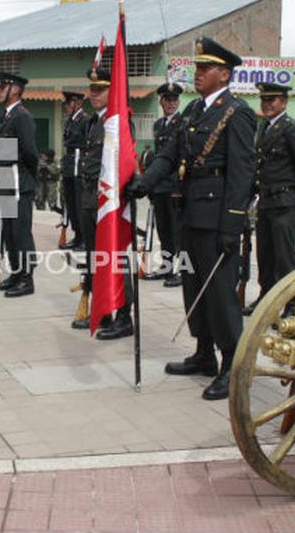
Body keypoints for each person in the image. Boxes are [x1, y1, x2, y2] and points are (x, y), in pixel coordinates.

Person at [128, 37, 255, 400]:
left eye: (205, 68)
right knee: (193, 286)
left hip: (216, 219)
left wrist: (232, 225)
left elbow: (241, 174)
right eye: (197, 67)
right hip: (189, 212)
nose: (197, 74)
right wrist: (143, 183)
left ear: (224, 74)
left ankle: (232, 364)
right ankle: (204, 353)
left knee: (220, 293)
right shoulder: (193, 111)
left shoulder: (237, 112)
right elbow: (169, 155)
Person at [246, 82, 295, 315]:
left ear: (284, 102)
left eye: (271, 100)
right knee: (265, 255)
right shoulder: (264, 128)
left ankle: (292, 304)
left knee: (285, 258)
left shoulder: (292, 129)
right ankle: (266, 299)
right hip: (266, 202)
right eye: (263, 100)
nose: (266, 104)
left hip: (286, 202)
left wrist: (293, 189)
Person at [75, 66, 134, 337]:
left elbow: (124, 162)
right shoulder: (92, 122)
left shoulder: (119, 119)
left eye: (101, 90)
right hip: (90, 198)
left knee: (114, 257)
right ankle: (104, 311)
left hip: (109, 202)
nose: (95, 94)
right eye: (93, 89)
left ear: (113, 92)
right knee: (95, 257)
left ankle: (123, 315)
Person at [0, 71, 39, 298]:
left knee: (20, 232)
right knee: (9, 231)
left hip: (19, 182)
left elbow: (30, 152)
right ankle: (16, 274)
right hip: (6, 181)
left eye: (3, 88)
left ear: (15, 90)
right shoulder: (6, 116)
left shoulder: (22, 116)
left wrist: (27, 177)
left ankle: (27, 278)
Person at [143, 82, 185, 288]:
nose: (171, 103)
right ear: (160, 101)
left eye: (174, 100)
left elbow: (181, 157)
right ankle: (167, 266)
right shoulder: (159, 125)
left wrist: (178, 185)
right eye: (168, 100)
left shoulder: (183, 123)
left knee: (178, 230)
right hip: (160, 186)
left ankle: (181, 269)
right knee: (164, 229)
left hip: (175, 185)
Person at [59, 91, 89, 250]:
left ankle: (84, 237)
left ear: (78, 103)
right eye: (66, 103)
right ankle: (77, 235)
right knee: (70, 202)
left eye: (69, 103)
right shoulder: (70, 120)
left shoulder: (85, 119)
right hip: (70, 163)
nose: (66, 106)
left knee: (79, 203)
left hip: (79, 163)